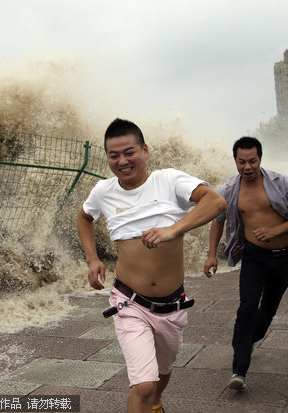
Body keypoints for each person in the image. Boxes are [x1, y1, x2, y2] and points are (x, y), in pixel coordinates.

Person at [77, 119, 227, 413]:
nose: (122, 161)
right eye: (114, 155)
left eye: (129, 152)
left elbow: (216, 202)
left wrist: (173, 230)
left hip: (172, 305)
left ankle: (156, 404)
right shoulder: (103, 191)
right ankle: (150, 401)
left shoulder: (169, 181)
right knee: (143, 385)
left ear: (145, 150)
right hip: (129, 302)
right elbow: (84, 218)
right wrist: (92, 259)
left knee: (161, 375)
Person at [203, 137, 288, 392]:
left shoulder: (281, 183)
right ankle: (239, 370)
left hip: (284, 257)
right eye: (241, 162)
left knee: (267, 313)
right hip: (254, 256)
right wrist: (211, 254)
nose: (247, 166)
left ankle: (247, 340)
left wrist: (277, 230)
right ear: (235, 161)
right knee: (246, 309)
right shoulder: (229, 190)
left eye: (252, 161)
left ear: (260, 159)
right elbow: (217, 219)